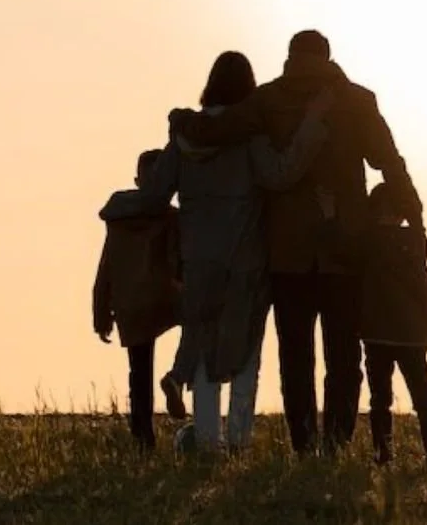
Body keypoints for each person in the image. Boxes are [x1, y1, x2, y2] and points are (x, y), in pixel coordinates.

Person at [170, 30, 420, 456]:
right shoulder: (357, 101)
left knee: (296, 357)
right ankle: (335, 443)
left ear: (290, 56)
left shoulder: (269, 100)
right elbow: (389, 164)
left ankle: (303, 442)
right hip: (344, 250)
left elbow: (220, 128)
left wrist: (181, 120)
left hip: (286, 253)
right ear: (328, 56)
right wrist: (414, 215)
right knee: (343, 356)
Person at [138, 50, 331, 453]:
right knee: (245, 352)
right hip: (246, 257)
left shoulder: (184, 136)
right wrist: (312, 124)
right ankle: (239, 441)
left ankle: (208, 439)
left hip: (199, 258)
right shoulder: (249, 136)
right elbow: (280, 174)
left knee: (205, 347)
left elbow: (157, 192)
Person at [337, 180, 427, 466]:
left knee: (380, 398)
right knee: (423, 397)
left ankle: (383, 451)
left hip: (376, 332)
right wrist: (426, 328)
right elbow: (424, 292)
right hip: (411, 334)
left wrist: (327, 213)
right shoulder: (417, 242)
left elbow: (341, 250)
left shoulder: (368, 242)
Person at [92, 149, 181, 451]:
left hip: (131, 303)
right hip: (166, 296)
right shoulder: (171, 218)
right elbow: (179, 260)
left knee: (139, 373)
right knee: (200, 334)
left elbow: (106, 267)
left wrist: (101, 311)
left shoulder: (118, 218)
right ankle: (178, 377)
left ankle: (143, 438)